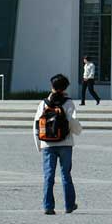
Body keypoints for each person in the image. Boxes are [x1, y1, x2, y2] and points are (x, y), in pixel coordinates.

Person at [33, 73, 82, 215]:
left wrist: (39, 144)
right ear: (65, 87)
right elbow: (72, 122)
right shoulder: (68, 103)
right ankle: (69, 205)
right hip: (65, 143)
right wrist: (78, 131)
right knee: (66, 174)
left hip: (48, 144)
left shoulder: (43, 103)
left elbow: (36, 124)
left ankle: (48, 206)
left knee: (48, 175)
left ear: (52, 86)